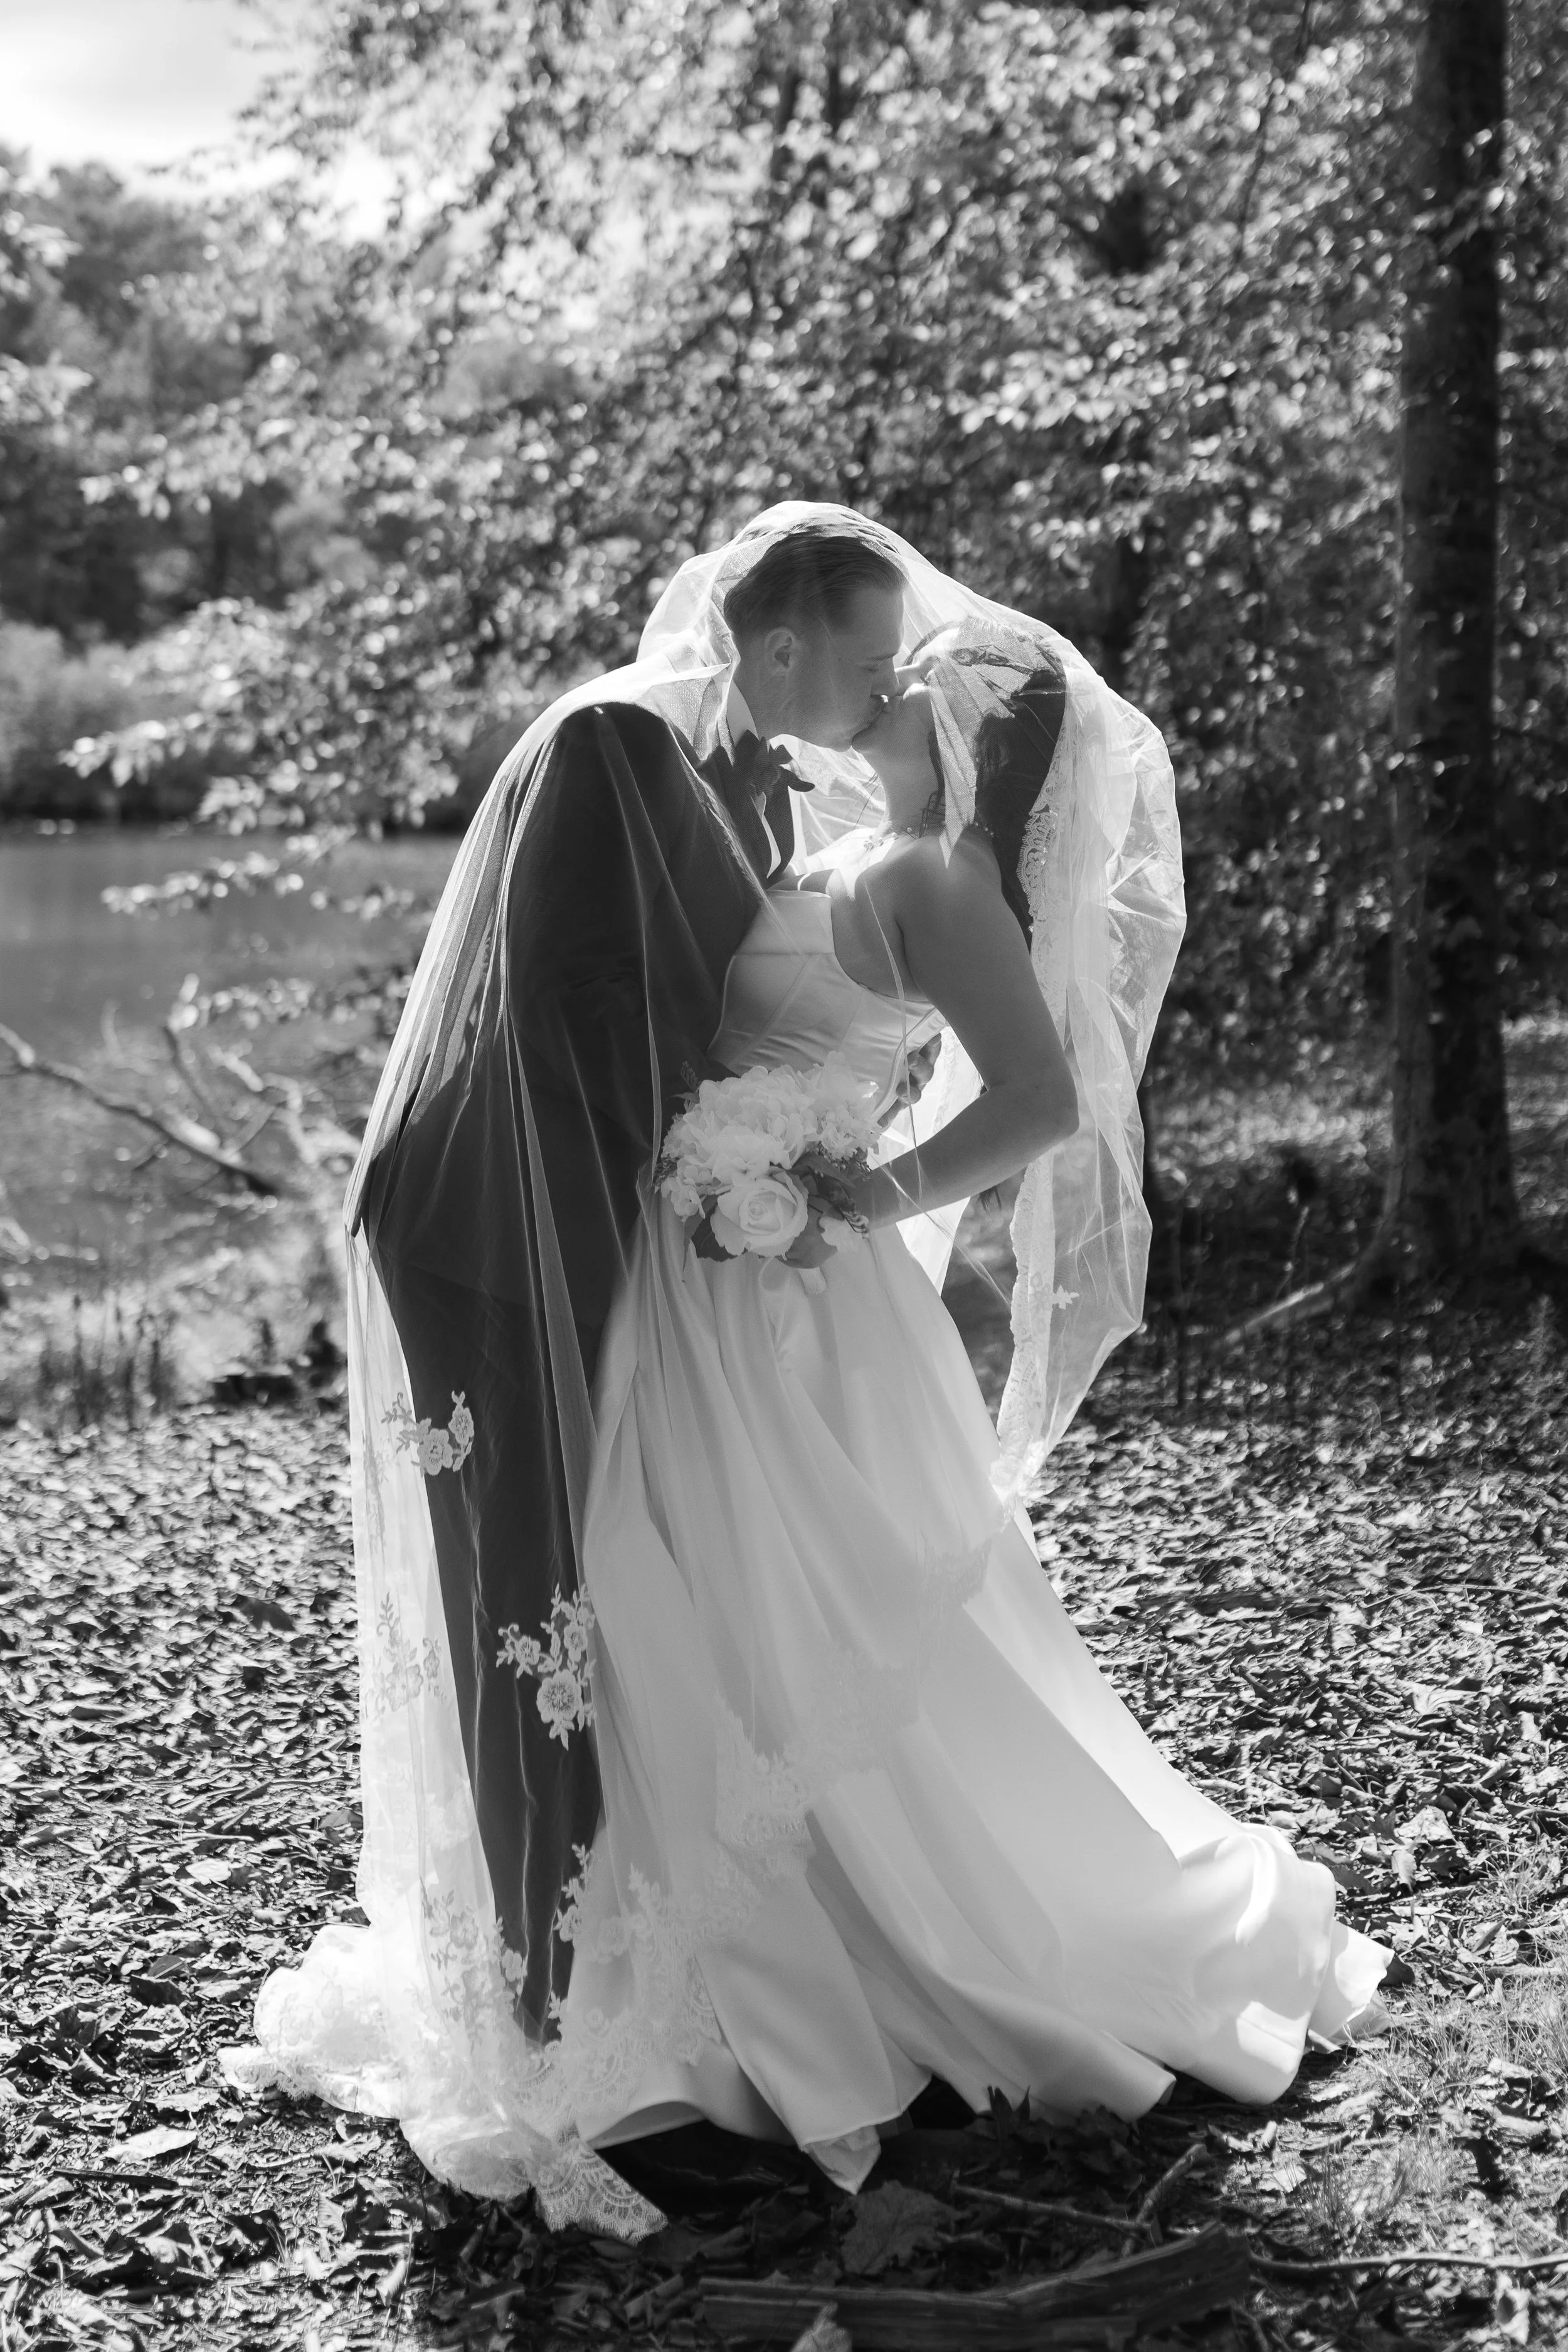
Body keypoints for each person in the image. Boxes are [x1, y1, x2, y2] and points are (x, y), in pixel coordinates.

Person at [226, 507, 1387, 2238]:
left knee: (784, 1613)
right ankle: (690, 1949)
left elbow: (1036, 1101)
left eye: (906, 681)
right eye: (873, 660)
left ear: (970, 738)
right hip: (708, 1293)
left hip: (787, 1295)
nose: (878, 689)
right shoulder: (831, 841)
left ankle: (828, 1954)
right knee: (699, 1602)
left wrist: (861, 1189)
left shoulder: (931, 876)